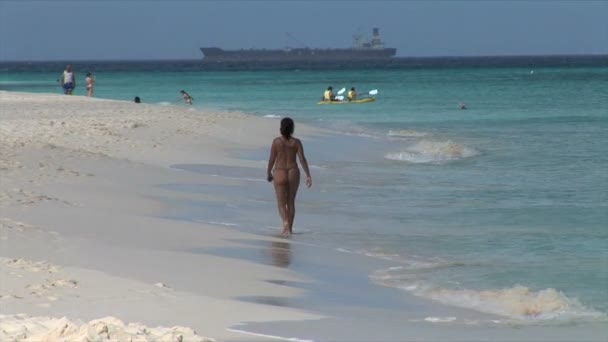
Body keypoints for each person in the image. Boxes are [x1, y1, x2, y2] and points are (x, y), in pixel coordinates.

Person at [267, 117, 312, 237]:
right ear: (292, 128)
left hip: (280, 171)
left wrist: (268, 173)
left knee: (281, 202)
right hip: (293, 171)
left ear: (281, 128)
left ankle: (285, 224)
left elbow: (272, 159)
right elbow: (302, 159)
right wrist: (308, 175)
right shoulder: (296, 142)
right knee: (291, 201)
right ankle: (290, 230)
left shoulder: (276, 142)